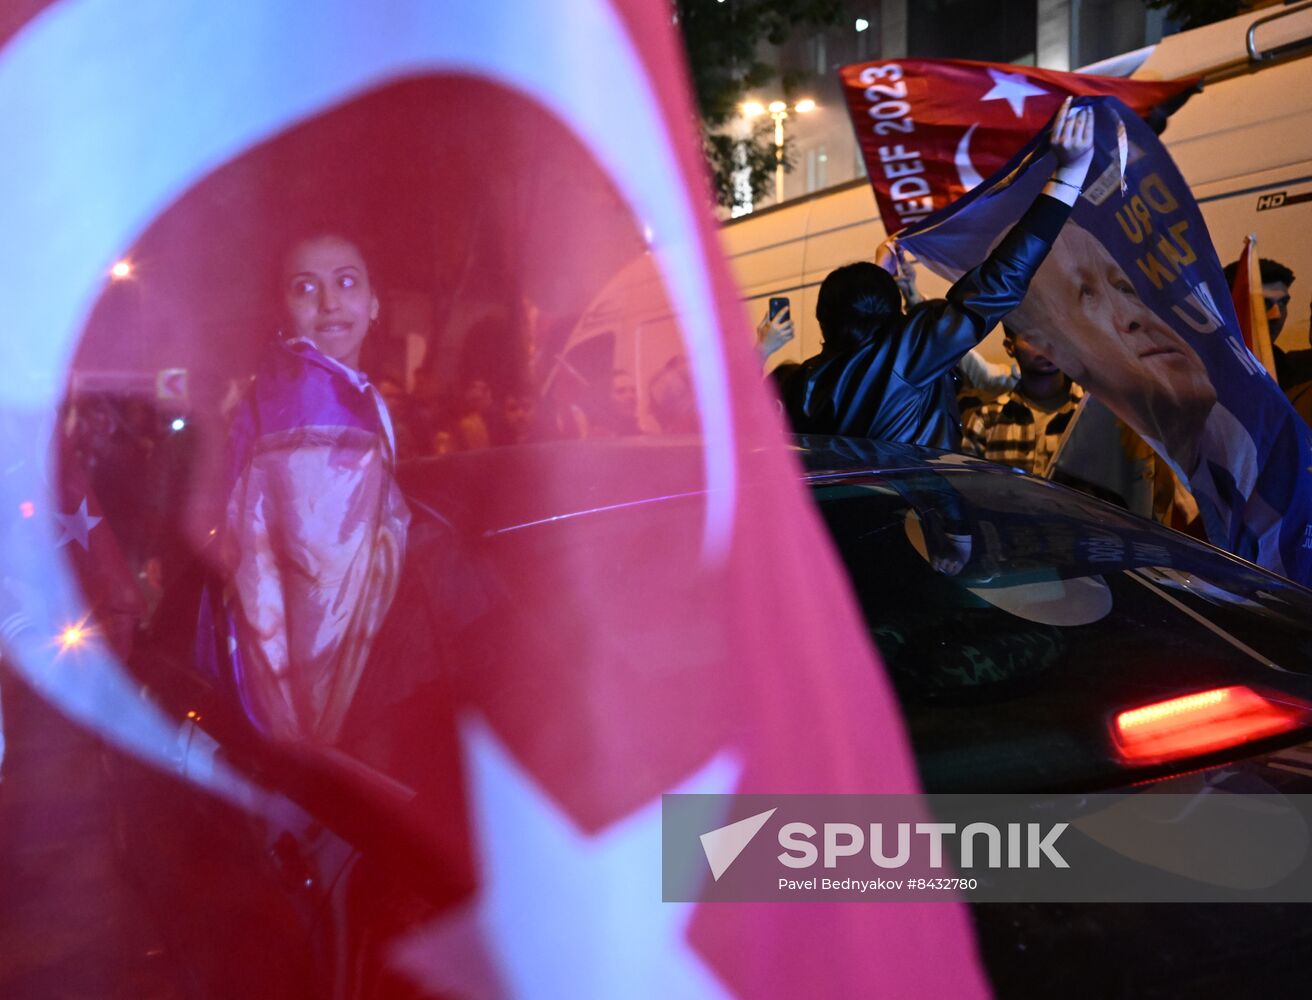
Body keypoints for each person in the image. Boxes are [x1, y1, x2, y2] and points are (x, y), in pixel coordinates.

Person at [775, 100, 1095, 449]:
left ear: (823, 319)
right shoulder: (906, 355)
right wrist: (1069, 175)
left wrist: (879, 282)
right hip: (914, 505)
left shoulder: (799, 386)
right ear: (894, 314)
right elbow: (999, 279)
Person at [217, 233, 410, 744]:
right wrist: (324, 743)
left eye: (346, 283)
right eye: (306, 288)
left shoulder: (320, 388)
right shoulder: (315, 406)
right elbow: (323, 598)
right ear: (284, 310)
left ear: (373, 303)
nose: (329, 303)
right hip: (335, 700)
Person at [960, 326, 1084, 477]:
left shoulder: (1090, 412)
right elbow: (970, 490)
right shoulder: (987, 419)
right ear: (1010, 347)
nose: (1047, 345)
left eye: (1055, 334)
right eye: (1032, 338)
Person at [1222, 256, 1311, 391]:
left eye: (1283, 303)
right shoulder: (1197, 368)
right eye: (1264, 303)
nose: (1277, 314)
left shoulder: (1292, 370)